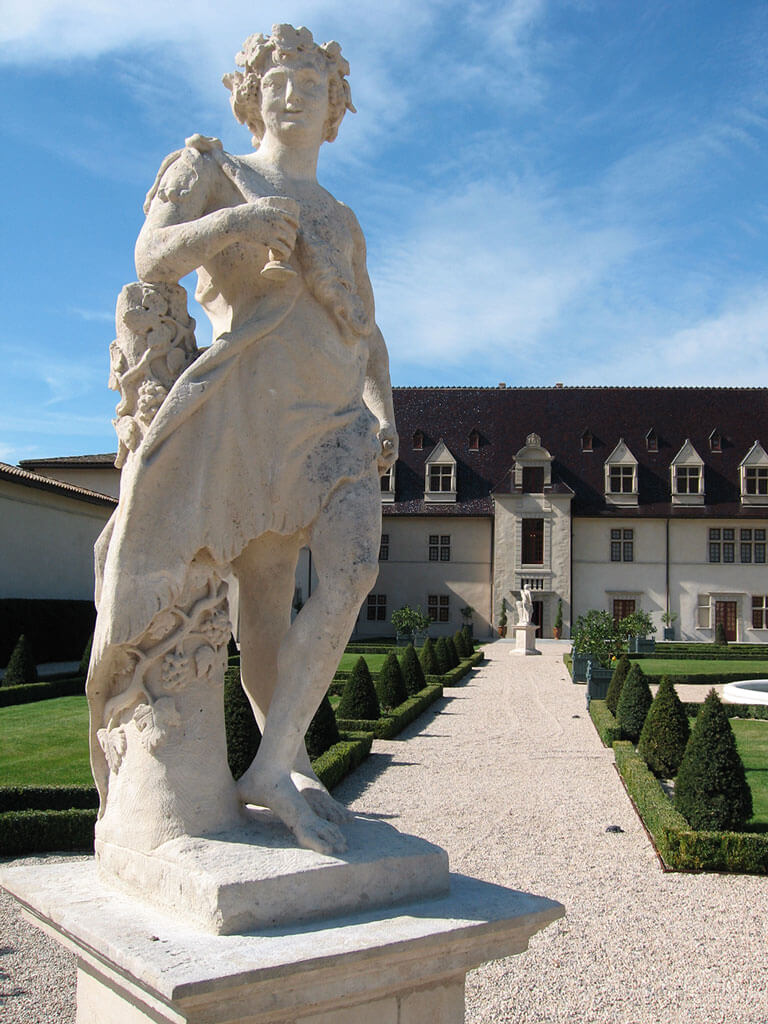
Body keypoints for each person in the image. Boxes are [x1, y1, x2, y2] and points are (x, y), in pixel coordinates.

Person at [87, 25, 397, 857]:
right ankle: (282, 767)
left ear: (337, 107)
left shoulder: (342, 217)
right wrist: (240, 221)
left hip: (337, 422)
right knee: (260, 600)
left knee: (353, 570)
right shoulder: (211, 170)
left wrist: (384, 407)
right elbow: (150, 259)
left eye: (312, 82)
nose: (293, 93)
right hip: (249, 412)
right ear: (250, 93)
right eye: (278, 79)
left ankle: (270, 763)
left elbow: (368, 331)